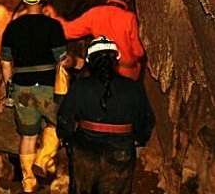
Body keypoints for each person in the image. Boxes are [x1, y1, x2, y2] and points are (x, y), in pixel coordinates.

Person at [57, 36, 155, 194]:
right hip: (120, 152)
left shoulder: (80, 87)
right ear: (116, 60)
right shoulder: (133, 88)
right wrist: (138, 139)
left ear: (90, 61)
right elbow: (146, 120)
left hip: (85, 151)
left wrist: (67, 139)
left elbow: (64, 117)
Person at [1, 0, 67, 192]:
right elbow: (62, 59)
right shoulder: (53, 26)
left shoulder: (12, 29)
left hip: (22, 88)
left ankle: (28, 183)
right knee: (58, 126)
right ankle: (43, 157)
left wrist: (10, 87)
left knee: (27, 137)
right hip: (48, 87)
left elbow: (6, 62)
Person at [58, 0, 145, 80]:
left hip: (101, 73)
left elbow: (67, 31)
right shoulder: (130, 19)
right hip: (127, 76)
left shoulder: (95, 14)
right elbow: (139, 52)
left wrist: (53, 17)